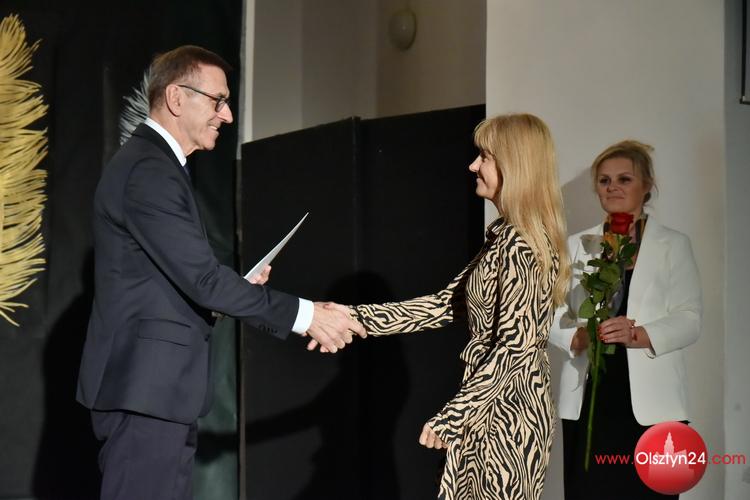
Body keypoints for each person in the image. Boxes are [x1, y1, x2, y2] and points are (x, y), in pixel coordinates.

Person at [76, 45, 365, 500]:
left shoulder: (159, 167)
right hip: (145, 394)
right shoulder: (150, 170)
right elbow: (204, 282)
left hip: (157, 394)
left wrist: (235, 291)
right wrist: (308, 316)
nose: (226, 116)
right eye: (218, 101)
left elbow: (179, 282)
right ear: (176, 98)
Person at [313, 113, 571, 499]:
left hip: (508, 415)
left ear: (514, 165)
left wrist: (455, 414)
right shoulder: (504, 238)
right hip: (487, 404)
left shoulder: (521, 246)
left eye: (485, 157)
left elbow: (516, 348)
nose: (473, 166)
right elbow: (443, 305)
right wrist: (353, 316)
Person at [549, 140, 702, 499]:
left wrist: (639, 334)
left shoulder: (674, 245)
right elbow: (549, 313)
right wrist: (577, 337)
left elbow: (690, 319)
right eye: (604, 180)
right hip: (588, 398)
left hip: (654, 407)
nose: (612, 187)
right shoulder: (575, 244)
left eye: (624, 179)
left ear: (647, 185)